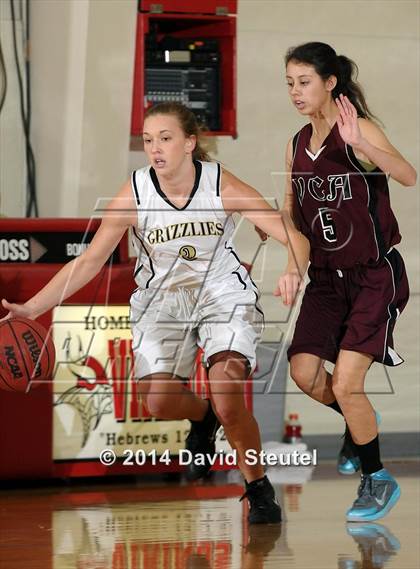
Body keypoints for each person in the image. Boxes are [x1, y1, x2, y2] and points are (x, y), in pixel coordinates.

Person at [1, 102, 298, 524]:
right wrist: (30, 307)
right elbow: (87, 263)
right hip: (163, 302)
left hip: (220, 295)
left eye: (165, 138)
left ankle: (257, 485)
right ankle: (203, 415)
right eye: (147, 140)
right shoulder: (135, 192)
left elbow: (287, 231)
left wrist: (292, 268)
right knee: (158, 402)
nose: (155, 148)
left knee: (228, 395)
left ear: (189, 143)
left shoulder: (220, 184)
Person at [276, 42, 416, 522]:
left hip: (373, 276)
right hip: (325, 280)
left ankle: (376, 479)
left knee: (349, 383)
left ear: (330, 82)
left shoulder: (357, 130)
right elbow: (292, 218)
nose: (295, 91)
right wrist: (293, 265)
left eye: (305, 82)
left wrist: (364, 147)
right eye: (290, 83)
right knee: (305, 374)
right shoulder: (296, 143)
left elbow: (407, 174)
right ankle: (359, 431)